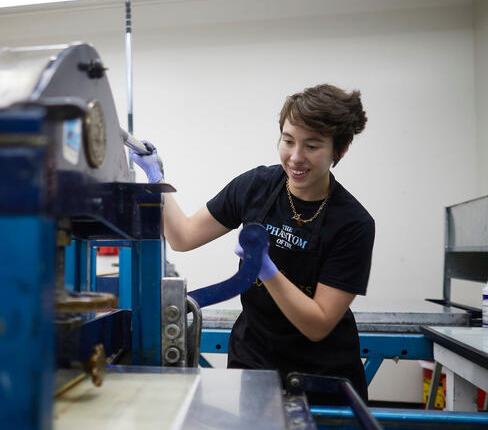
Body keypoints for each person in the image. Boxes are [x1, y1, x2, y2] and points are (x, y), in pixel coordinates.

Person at [130, 84, 374, 405]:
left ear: (339, 151)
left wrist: (264, 269)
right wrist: (156, 180)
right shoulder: (256, 186)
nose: (295, 157)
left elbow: (317, 324)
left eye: (312, 146)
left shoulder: (353, 223)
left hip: (322, 376)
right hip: (255, 361)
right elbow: (183, 237)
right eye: (288, 141)